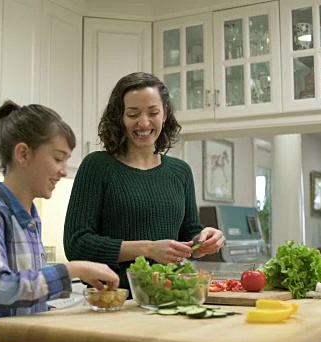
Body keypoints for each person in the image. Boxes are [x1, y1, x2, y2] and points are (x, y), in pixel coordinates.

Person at [0, 101, 120, 342]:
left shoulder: (29, 217)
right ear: (24, 154)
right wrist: (73, 269)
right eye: (58, 158)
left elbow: (23, 298)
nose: (63, 170)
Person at [63, 72, 225, 290]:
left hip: (172, 296)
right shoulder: (97, 166)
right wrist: (148, 249)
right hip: (113, 300)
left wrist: (203, 242)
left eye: (153, 112)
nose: (143, 122)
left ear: (165, 114)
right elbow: (77, 244)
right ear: (120, 117)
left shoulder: (180, 172)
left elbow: (189, 237)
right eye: (132, 114)